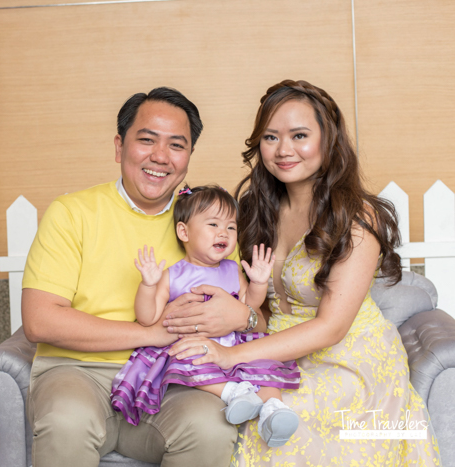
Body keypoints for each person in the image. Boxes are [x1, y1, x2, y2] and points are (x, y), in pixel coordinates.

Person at [167, 79, 441, 465]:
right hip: (276, 353)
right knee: (232, 409)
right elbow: (261, 310)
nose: (283, 150)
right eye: (271, 137)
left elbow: (331, 328)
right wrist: (240, 316)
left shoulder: (355, 217)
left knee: (281, 424)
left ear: (327, 140)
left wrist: (231, 356)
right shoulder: (255, 211)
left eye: (299, 135)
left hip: (347, 360)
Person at [22, 88, 254, 466]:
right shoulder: (72, 213)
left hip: (174, 379)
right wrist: (151, 333)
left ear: (188, 157)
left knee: (211, 427)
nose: (160, 156)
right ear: (120, 146)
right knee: (67, 420)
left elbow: (250, 311)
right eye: (147, 140)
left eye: (176, 145)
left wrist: (243, 316)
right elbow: (39, 320)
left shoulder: (210, 224)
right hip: (78, 372)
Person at [111, 184, 302, 447]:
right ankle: (232, 393)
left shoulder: (233, 269)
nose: (223, 232)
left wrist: (258, 283)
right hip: (194, 344)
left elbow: (249, 308)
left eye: (231, 227)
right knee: (189, 362)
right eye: (213, 224)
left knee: (261, 364)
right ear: (184, 232)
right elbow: (147, 317)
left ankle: (274, 411)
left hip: (233, 344)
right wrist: (148, 285)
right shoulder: (173, 274)